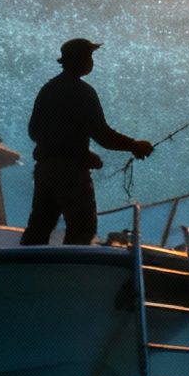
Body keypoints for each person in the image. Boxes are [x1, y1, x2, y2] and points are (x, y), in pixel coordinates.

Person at [21, 38, 153, 246]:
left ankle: (27, 269)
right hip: (71, 174)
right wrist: (134, 145)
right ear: (81, 60)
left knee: (39, 226)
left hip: (45, 171)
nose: (92, 61)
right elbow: (103, 135)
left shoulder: (49, 89)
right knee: (83, 228)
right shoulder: (83, 92)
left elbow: (33, 131)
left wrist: (77, 153)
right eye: (90, 56)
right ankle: (69, 274)